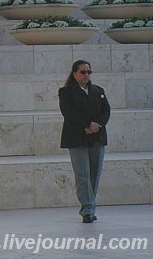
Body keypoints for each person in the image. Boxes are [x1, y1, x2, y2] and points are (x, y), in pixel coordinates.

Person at [58, 60, 110, 224]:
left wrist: (97, 125)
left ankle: (90, 206)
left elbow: (106, 110)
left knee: (95, 173)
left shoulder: (98, 91)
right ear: (75, 74)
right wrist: (88, 124)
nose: (86, 75)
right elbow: (69, 112)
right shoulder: (66, 92)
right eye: (83, 72)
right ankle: (87, 208)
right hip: (77, 137)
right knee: (83, 174)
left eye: (88, 72)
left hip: (96, 136)